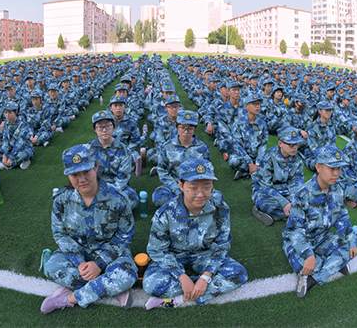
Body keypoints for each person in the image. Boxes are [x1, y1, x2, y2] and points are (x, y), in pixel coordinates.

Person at [41, 144, 137, 314]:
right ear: (68, 175)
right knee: (51, 268)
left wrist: (99, 264)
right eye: (75, 174)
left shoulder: (118, 199)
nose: (82, 179)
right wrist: (80, 263)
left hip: (111, 254)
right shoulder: (61, 200)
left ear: (96, 166)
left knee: (128, 274)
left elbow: (123, 236)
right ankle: (109, 286)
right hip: (79, 253)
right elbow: (60, 233)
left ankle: (68, 298)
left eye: (86, 171)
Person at [143, 158, 247, 309]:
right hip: (175, 256)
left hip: (205, 255)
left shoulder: (221, 209)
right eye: (193, 188)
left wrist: (205, 277)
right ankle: (196, 287)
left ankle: (177, 299)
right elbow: (157, 250)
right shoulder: (166, 213)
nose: (200, 195)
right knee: (151, 285)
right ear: (181, 186)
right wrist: (182, 277)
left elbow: (221, 245)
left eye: (207, 187)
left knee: (239, 274)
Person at [282, 145, 357, 298]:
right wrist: (308, 254)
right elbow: (294, 230)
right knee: (307, 263)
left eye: (338, 168)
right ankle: (333, 265)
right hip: (299, 242)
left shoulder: (337, 190)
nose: (336, 173)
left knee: (348, 249)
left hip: (322, 238)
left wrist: (352, 239)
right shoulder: (303, 194)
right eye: (331, 168)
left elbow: (342, 218)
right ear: (318, 167)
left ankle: (313, 278)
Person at [152, 110, 211, 207]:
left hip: (196, 187)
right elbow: (162, 171)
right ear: (176, 126)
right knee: (158, 196)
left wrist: (195, 190)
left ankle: (180, 206)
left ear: (195, 128)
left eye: (190, 128)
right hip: (174, 186)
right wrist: (177, 190)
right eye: (182, 128)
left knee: (217, 197)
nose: (186, 132)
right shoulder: (167, 147)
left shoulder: (202, 148)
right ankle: (187, 205)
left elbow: (207, 173)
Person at [251, 126, 305, 225]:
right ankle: (297, 214)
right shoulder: (269, 157)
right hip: (267, 189)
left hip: (286, 189)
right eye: (290, 144)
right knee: (264, 204)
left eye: (296, 144)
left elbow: (296, 182)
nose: (295, 147)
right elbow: (265, 185)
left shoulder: (298, 158)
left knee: (305, 200)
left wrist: (294, 200)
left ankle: (290, 213)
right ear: (280, 143)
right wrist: (284, 202)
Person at [88, 111, 138, 209]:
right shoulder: (89, 149)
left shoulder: (123, 149)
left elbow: (123, 179)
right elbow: (87, 176)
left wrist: (107, 193)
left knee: (132, 199)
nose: (104, 130)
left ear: (114, 126)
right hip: (95, 187)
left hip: (117, 188)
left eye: (107, 125)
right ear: (94, 129)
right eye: (100, 127)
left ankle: (101, 206)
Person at [0, 101, 34, 170]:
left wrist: (11, 158)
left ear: (16, 112)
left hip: (23, 148)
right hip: (11, 149)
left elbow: (20, 143)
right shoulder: (6, 124)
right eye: (5, 112)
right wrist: (4, 155)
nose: (7, 115)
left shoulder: (22, 124)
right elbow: (5, 140)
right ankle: (14, 163)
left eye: (10, 112)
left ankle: (7, 164)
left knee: (23, 154)